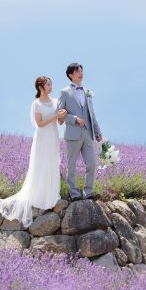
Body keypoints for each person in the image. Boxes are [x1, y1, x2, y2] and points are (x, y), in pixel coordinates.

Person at [0, 76, 66, 227]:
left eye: (51, 84)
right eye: (48, 84)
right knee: (41, 164)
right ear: (41, 87)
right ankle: (39, 195)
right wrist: (55, 116)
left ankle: (51, 194)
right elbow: (39, 124)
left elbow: (59, 122)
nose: (51, 86)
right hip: (42, 137)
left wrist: (62, 116)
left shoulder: (55, 101)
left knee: (53, 162)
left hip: (53, 136)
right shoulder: (36, 104)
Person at [57, 62, 103, 200]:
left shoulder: (87, 92)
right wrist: (74, 118)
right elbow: (59, 113)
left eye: (82, 70)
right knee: (71, 166)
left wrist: (98, 131)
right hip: (73, 134)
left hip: (88, 133)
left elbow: (91, 114)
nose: (81, 73)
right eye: (77, 71)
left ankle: (88, 193)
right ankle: (74, 194)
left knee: (92, 164)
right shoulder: (64, 92)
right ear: (71, 75)